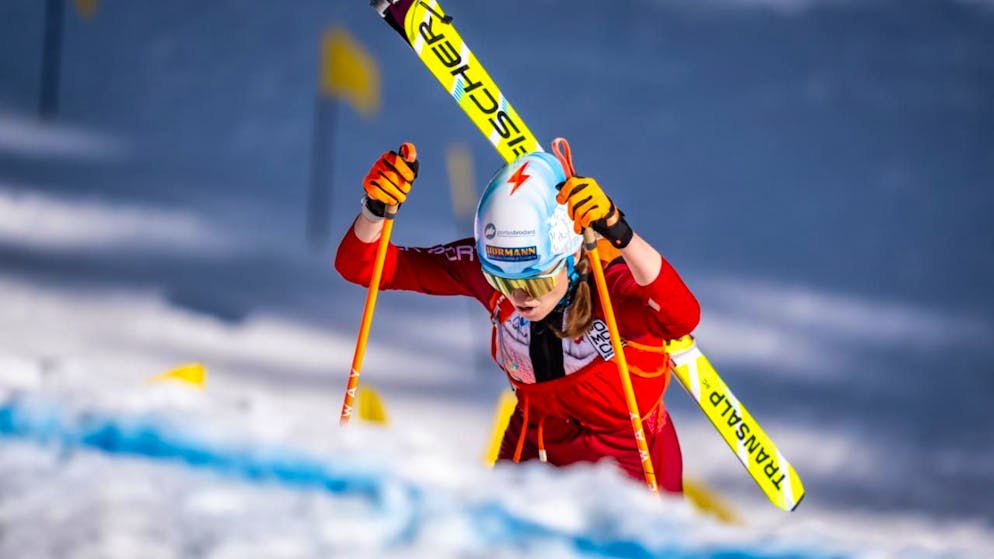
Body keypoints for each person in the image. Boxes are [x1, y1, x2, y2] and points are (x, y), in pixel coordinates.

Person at [335, 141, 700, 493]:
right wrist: (375, 211)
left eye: (536, 280)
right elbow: (363, 266)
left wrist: (620, 232)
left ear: (571, 256)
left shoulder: (610, 286)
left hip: (627, 459)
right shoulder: (488, 266)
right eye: (503, 281)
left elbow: (681, 317)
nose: (520, 296)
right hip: (532, 443)